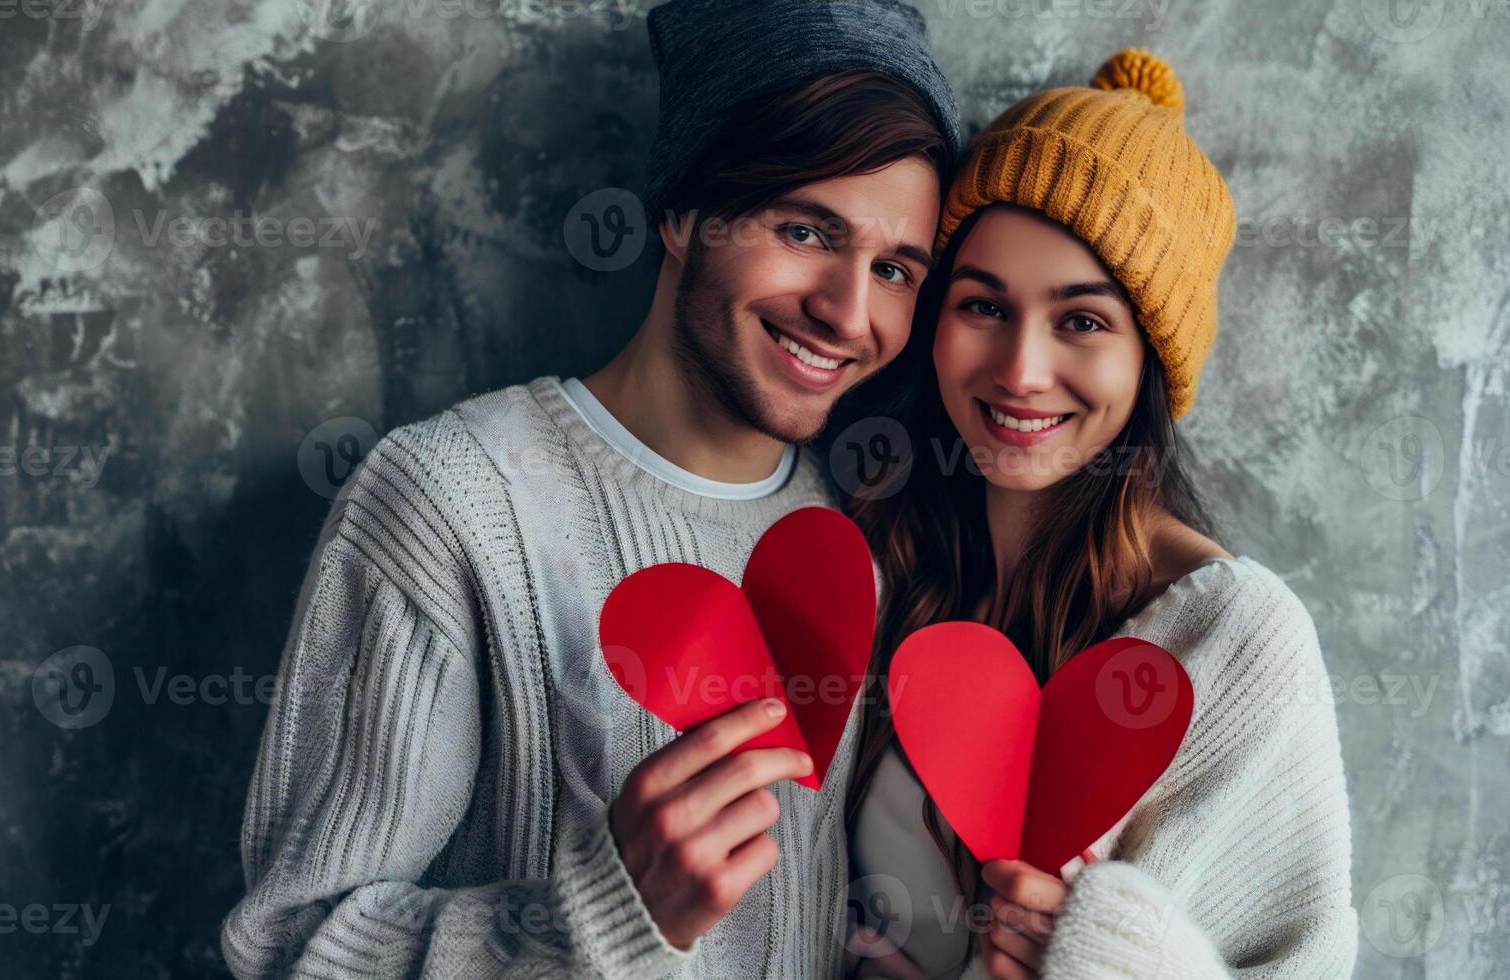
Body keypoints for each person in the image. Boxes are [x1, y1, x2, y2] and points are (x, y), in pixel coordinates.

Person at [219, 1, 962, 976]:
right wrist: (598, 915)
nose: (848, 312)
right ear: (683, 213)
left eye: (897, 268)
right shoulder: (447, 503)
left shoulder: (851, 544)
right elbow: (287, 945)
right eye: (806, 229)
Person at [840, 50, 1357, 979]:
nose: (1021, 369)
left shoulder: (1233, 640)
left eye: (1081, 320)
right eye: (981, 305)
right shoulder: (887, 563)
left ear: (1150, 364)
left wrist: (1119, 957)